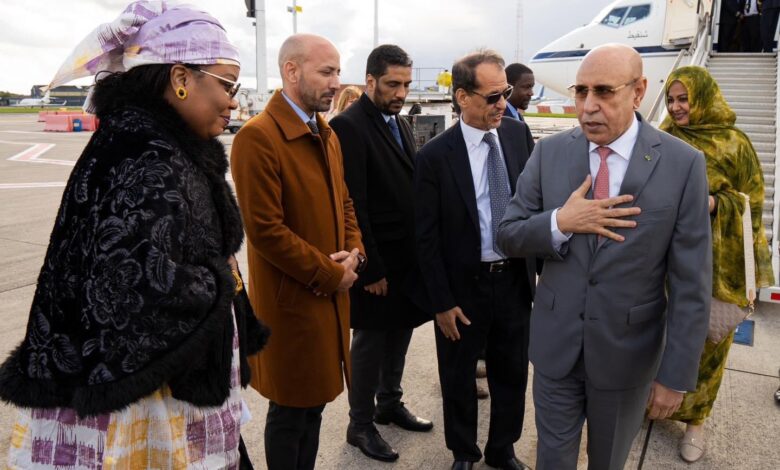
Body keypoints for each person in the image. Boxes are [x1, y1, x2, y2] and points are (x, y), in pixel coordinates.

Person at [0, 2, 268, 468]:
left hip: (149, 379)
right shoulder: (147, 156)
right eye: (227, 85)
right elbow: (132, 286)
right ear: (181, 77)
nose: (234, 102)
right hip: (146, 399)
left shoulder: (146, 141)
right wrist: (218, 280)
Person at [496, 44, 712, 470]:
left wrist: (675, 375)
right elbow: (507, 234)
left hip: (627, 356)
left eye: (604, 91)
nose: (588, 106)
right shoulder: (549, 152)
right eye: (581, 91)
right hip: (557, 348)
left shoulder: (683, 164)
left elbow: (691, 282)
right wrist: (560, 222)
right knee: (552, 461)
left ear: (638, 91)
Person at [230, 33, 365, 470]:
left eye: (337, 71)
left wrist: (355, 253)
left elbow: (345, 202)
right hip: (294, 303)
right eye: (326, 72)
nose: (336, 82)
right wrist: (331, 274)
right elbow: (265, 231)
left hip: (328, 297)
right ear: (291, 71)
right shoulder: (257, 137)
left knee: (315, 407)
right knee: (290, 411)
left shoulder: (326, 132)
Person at [414, 49, 537, 470]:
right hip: (462, 288)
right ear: (462, 97)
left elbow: (533, 205)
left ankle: (503, 449)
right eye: (493, 96)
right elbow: (425, 238)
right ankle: (463, 452)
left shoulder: (518, 137)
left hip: (514, 279)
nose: (503, 104)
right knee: (458, 375)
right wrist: (441, 302)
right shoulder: (434, 156)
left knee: (512, 373)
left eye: (506, 92)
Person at [661, 65, 774, 463]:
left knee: (707, 347)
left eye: (684, 99)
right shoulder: (664, 137)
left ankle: (696, 421)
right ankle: (654, 402)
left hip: (715, 266)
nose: (676, 107)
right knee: (658, 338)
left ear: (703, 98)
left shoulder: (734, 144)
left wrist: (713, 204)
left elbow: (751, 205)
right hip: (664, 261)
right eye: (671, 99)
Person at [330, 44, 433, 464]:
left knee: (401, 330)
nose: (401, 93)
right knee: (371, 341)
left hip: (406, 258)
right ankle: (360, 423)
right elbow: (354, 202)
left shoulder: (398, 122)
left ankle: (389, 403)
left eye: (406, 84)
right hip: (376, 260)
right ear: (370, 81)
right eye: (392, 84)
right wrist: (370, 267)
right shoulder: (349, 126)